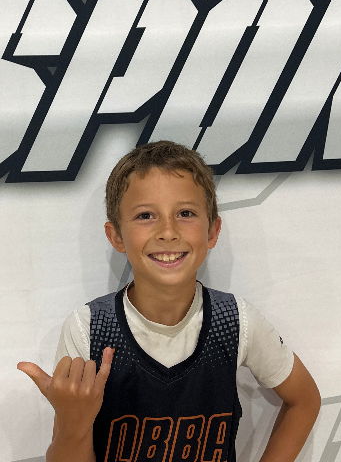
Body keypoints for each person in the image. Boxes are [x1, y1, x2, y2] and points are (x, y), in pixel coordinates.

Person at [18, 140, 321, 462]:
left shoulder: (236, 321)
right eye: (146, 215)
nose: (168, 232)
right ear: (116, 235)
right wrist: (72, 424)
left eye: (185, 213)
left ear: (212, 231)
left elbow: (304, 400)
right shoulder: (89, 328)